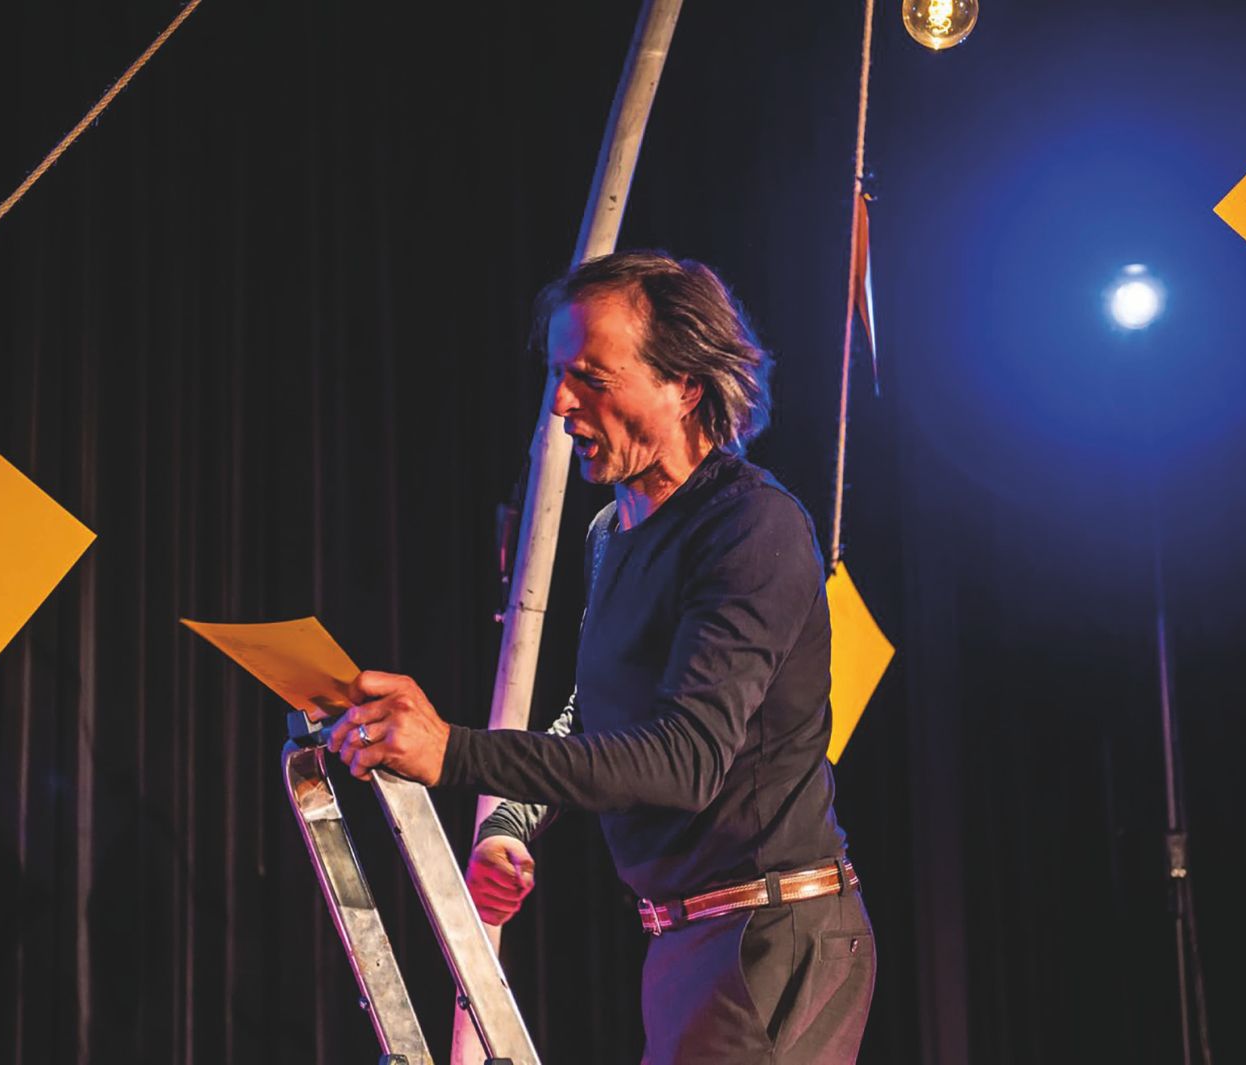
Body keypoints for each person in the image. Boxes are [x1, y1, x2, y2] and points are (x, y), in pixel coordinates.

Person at [326, 251, 875, 1063]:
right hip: (686, 940)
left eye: (591, 376)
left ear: (684, 384)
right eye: (557, 375)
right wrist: (510, 821)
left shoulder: (751, 528)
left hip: (771, 934)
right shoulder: (608, 533)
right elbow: (595, 710)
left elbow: (684, 760)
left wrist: (453, 751)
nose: (560, 402)